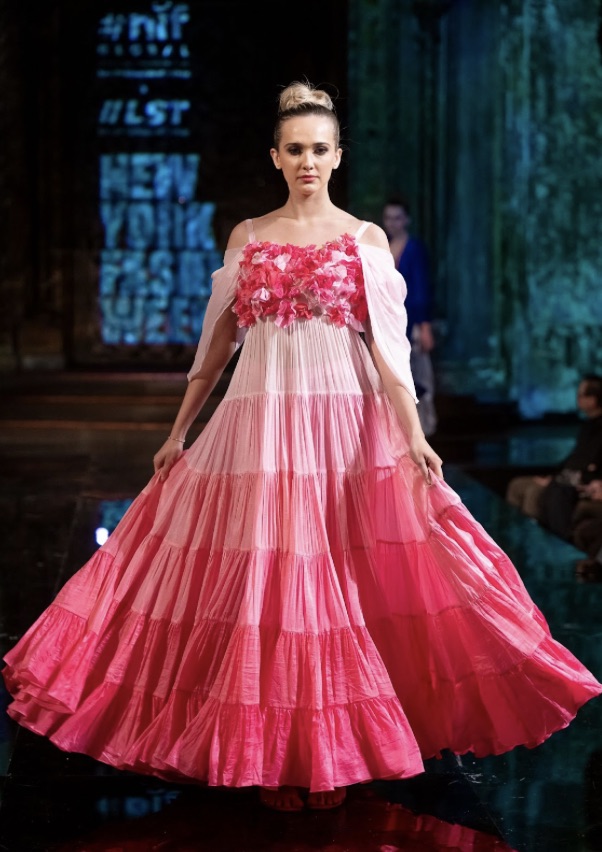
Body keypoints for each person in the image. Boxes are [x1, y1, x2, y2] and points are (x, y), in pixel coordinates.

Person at [2, 81, 601, 815]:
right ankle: (275, 753)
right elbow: (215, 348)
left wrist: (415, 437)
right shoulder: (248, 236)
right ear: (276, 157)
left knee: (336, 581)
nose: (308, 160)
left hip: (344, 428)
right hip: (260, 427)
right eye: (295, 149)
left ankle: (331, 753)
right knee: (275, 584)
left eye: (320, 148)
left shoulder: (365, 241)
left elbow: (389, 355)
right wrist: (177, 433)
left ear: (338, 155)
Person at [506, 375, 602, 536]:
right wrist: (553, 475)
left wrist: (556, 479)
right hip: (567, 476)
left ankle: (537, 543)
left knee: (534, 493)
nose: (577, 399)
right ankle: (514, 536)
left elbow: (587, 464)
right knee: (516, 485)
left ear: (593, 400)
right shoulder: (587, 426)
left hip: (580, 481)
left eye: (581, 395)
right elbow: (574, 458)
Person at [382, 196, 437, 437]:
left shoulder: (414, 248)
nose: (393, 223)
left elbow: (421, 288)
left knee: (418, 376)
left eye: (397, 218)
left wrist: (424, 326)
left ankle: (422, 429)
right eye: (389, 218)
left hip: (412, 321)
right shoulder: (383, 247)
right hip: (390, 322)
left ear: (407, 220)